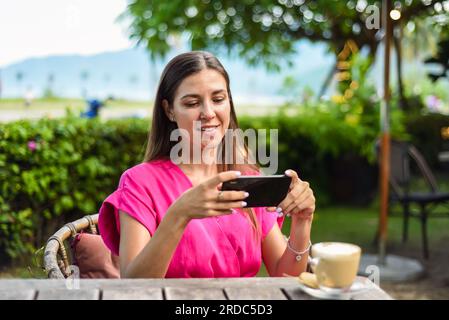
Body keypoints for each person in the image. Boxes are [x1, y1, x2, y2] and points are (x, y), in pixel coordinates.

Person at [98, 51, 315, 278]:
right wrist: (179, 214)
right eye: (192, 103)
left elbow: (285, 278)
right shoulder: (139, 183)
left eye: (219, 99)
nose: (208, 113)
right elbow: (133, 284)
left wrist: (302, 221)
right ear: (169, 110)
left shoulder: (247, 178)